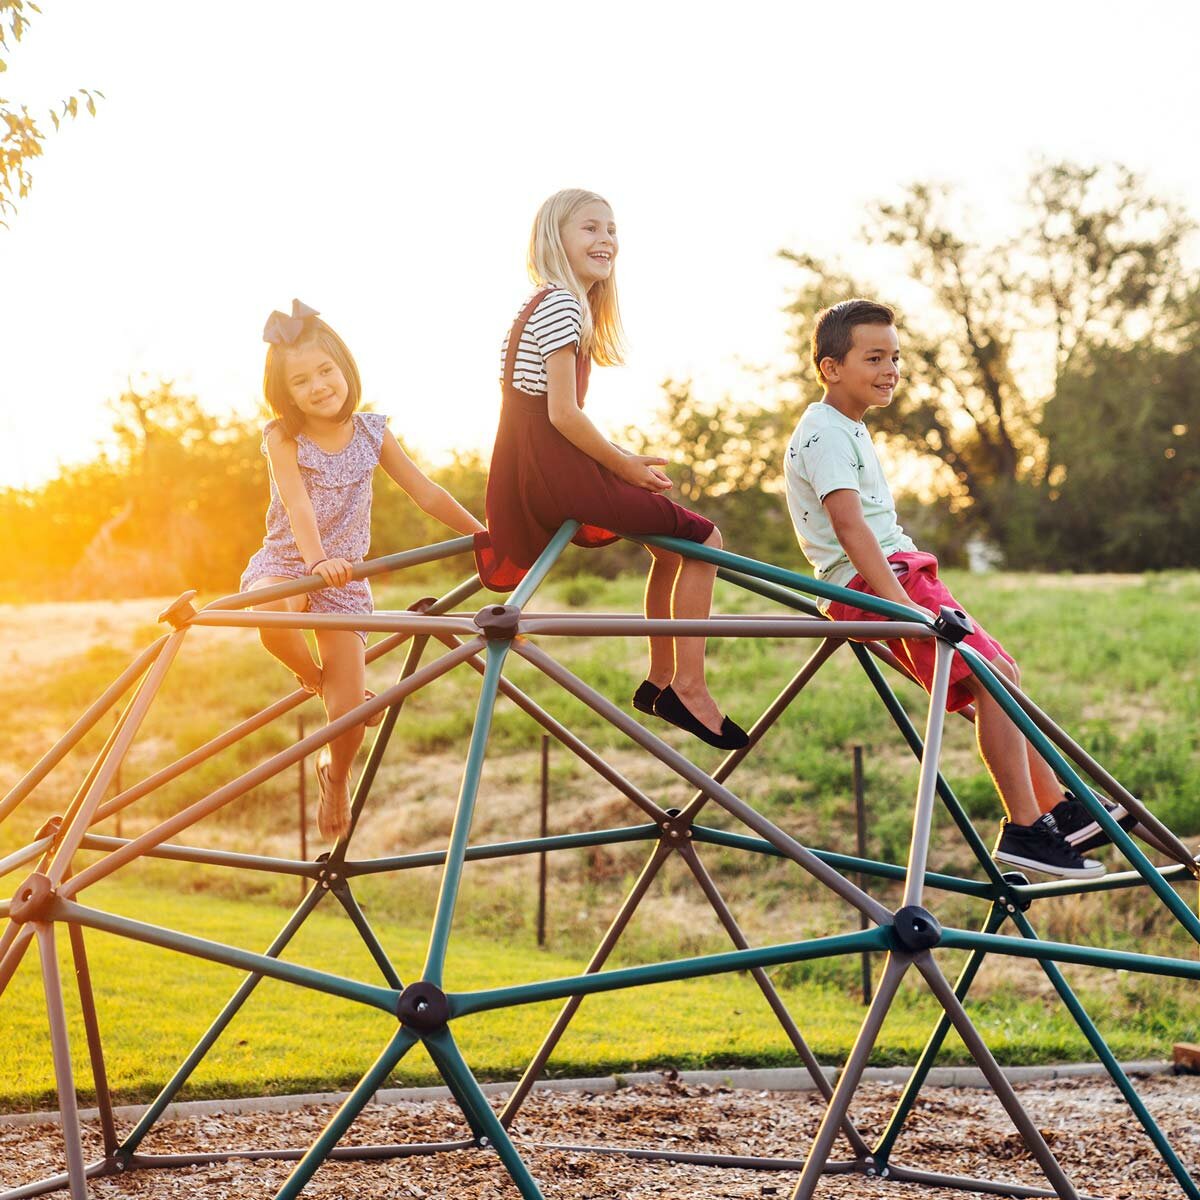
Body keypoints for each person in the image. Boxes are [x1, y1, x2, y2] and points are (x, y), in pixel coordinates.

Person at [784, 299, 1134, 879]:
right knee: (994, 681)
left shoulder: (847, 427)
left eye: (894, 357)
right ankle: (1026, 828)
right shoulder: (821, 432)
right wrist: (901, 608)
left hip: (900, 572)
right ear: (831, 368)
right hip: (876, 583)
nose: (889, 369)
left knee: (1004, 677)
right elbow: (849, 527)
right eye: (873, 358)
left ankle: (1056, 810)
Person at [474, 188, 746, 751]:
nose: (605, 241)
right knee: (705, 538)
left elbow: (548, 418)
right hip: (550, 470)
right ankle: (690, 688)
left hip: (535, 466)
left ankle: (660, 680)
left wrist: (619, 466)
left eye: (612, 230)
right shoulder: (563, 305)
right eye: (590, 229)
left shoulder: (540, 304)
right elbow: (561, 414)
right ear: (555, 238)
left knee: (670, 547)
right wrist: (619, 463)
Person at [241, 300, 486, 841]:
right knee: (270, 616)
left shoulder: (374, 433)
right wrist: (314, 562)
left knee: (349, 711)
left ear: (346, 369)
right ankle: (312, 678)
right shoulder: (282, 437)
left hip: (345, 580)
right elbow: (297, 502)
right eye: (301, 380)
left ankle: (336, 774)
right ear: (286, 393)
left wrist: (481, 533)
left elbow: (427, 492)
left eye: (326, 371)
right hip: (291, 562)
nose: (319, 386)